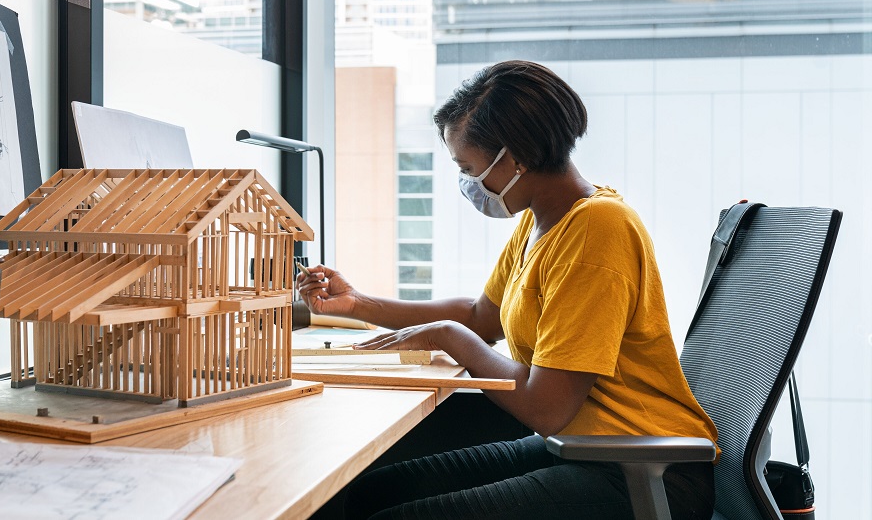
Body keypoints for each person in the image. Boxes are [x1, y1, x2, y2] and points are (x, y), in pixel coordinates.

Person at [296, 60, 717, 520]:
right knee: (365, 496)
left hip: (642, 473)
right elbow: (480, 315)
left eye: (469, 168)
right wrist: (359, 304)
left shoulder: (599, 230)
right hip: (582, 448)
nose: (470, 184)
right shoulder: (544, 218)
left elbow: (546, 406)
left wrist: (448, 337)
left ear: (515, 158)